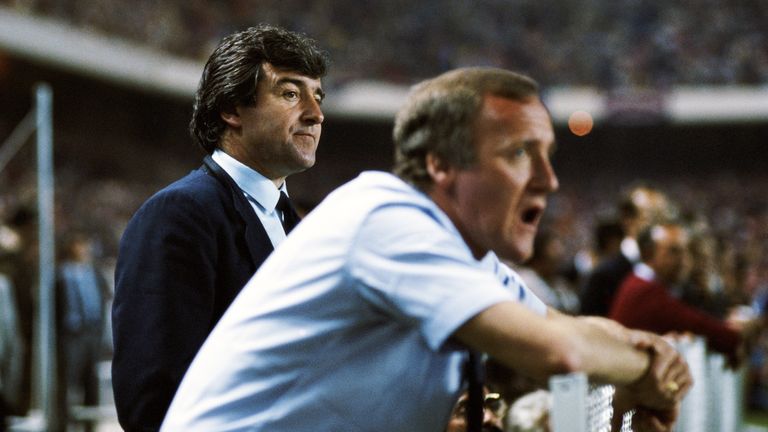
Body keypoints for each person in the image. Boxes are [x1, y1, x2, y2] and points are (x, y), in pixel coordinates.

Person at [161, 67, 690, 431]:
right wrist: (647, 372)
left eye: (547, 156)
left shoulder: (463, 255)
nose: (549, 181)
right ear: (440, 164)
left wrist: (650, 352)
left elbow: (563, 326)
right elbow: (559, 352)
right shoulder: (385, 218)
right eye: (519, 154)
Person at [111, 24, 329, 431]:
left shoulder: (293, 224)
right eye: (289, 93)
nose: (316, 115)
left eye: (317, 96)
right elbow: (152, 405)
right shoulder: (178, 216)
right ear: (231, 109)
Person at [609, 221, 759, 362]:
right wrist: (734, 334)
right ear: (649, 254)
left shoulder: (639, 283)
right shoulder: (644, 290)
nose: (683, 260)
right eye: (674, 252)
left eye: (684, 252)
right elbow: (695, 324)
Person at [580, 185, 672, 316]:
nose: (660, 228)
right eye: (651, 217)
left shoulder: (670, 272)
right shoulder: (604, 275)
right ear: (627, 220)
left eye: (663, 219)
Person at [54, 231, 110, 432]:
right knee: (68, 380)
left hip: (91, 332)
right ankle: (62, 423)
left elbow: (103, 299)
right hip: (71, 335)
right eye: (79, 245)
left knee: (91, 381)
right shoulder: (62, 274)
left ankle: (89, 425)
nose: (83, 250)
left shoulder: (93, 273)